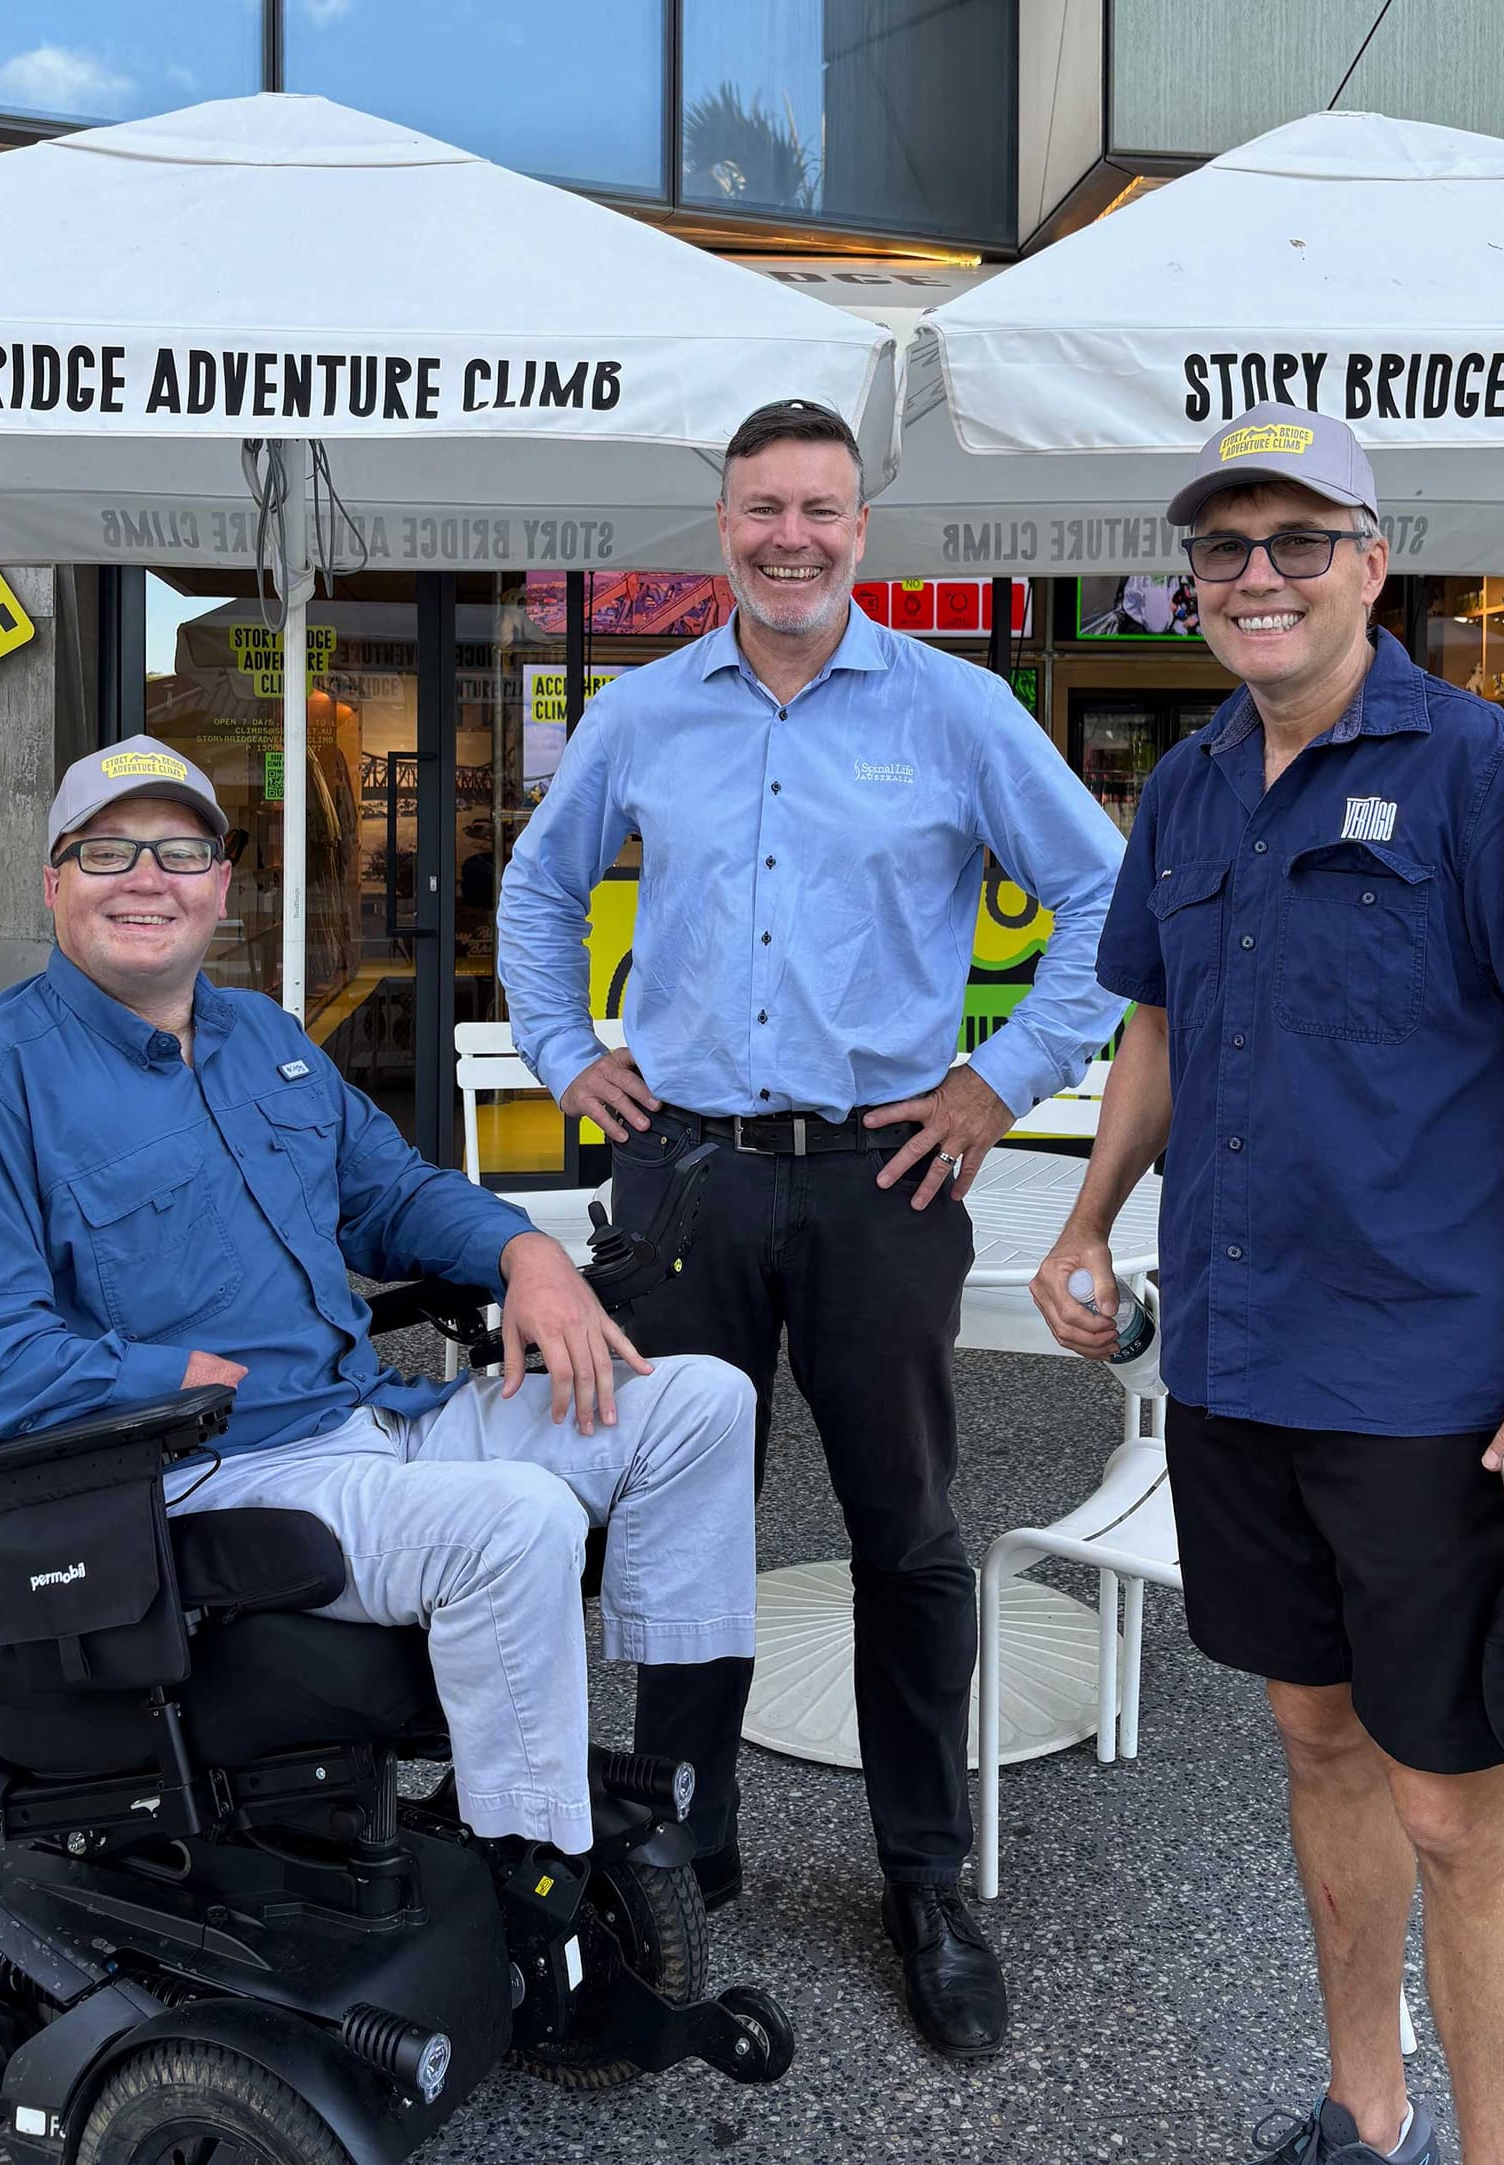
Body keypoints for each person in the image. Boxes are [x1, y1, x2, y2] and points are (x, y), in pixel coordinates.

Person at [1031, 405, 1504, 2165]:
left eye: (1300, 541)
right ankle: (1363, 2106)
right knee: (1317, 1746)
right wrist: (1091, 1216)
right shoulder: (1190, 786)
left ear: (1372, 564)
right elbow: (1156, 1021)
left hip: (1426, 1391)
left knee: (1460, 1807)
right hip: (1234, 1368)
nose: (1258, 576)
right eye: (1225, 548)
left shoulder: (1479, 771)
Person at [497, 398, 1127, 2056]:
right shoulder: (641, 715)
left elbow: (1107, 903)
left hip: (883, 1178)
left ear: (863, 530)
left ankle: (924, 1879)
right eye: (764, 505)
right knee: (675, 1530)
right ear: (724, 526)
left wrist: (999, 1084)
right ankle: (676, 1851)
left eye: (822, 509)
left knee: (906, 1531)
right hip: (685, 1175)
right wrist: (567, 1052)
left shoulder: (957, 709)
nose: (793, 534)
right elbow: (538, 894)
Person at [0, 735, 758, 1869]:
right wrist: (161, 1379)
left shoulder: (264, 1039)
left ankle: (667, 1793)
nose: (148, 878)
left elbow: (391, 1192)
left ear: (221, 881)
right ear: (54, 880)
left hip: (376, 1417)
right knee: (516, 1522)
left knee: (701, 1402)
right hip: (210, 1473)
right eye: (108, 851)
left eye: (181, 851)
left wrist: (519, 1253)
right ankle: (532, 1864)